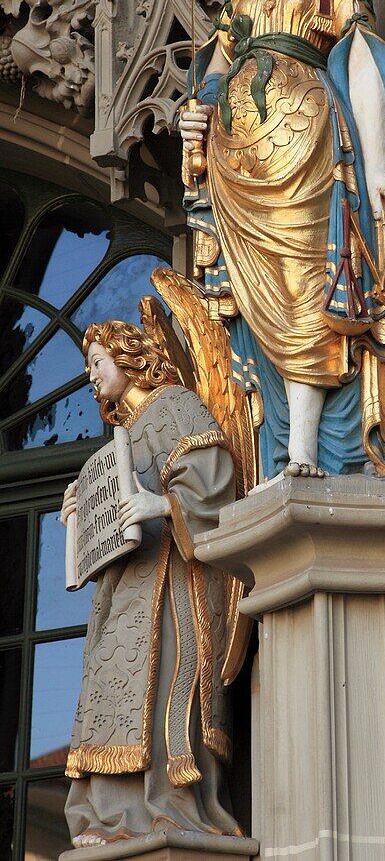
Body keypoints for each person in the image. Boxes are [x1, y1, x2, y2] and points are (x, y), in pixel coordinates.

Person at [177, 0, 385, 491]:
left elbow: (360, 64)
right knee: (253, 296)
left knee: (304, 289)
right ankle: (275, 449)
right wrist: (196, 114)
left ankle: (302, 450)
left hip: (305, 146)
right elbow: (216, 69)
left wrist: (377, 168)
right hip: (236, 166)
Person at [61, 321, 242, 846]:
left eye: (98, 362)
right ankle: (107, 818)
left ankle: (172, 810)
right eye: (88, 367)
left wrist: (162, 504)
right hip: (123, 592)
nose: (91, 376)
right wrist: (78, 517)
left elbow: (215, 482)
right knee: (107, 687)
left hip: (171, 583)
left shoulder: (176, 407)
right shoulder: (122, 437)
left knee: (162, 687)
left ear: (130, 355)